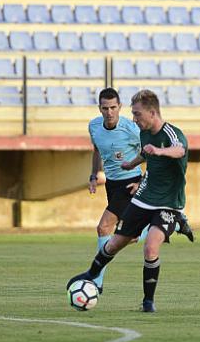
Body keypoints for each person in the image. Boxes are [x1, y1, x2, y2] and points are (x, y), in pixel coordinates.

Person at [68, 89, 191, 312]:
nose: (134, 118)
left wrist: (160, 152)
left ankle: (148, 302)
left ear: (152, 113)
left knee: (150, 247)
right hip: (144, 196)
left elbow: (180, 150)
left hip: (168, 201)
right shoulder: (142, 132)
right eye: (133, 114)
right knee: (114, 242)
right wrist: (132, 163)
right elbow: (145, 153)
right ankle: (92, 274)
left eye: (137, 114)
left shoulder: (171, 133)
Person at [87, 87, 143, 293]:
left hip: (130, 183)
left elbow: (150, 153)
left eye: (113, 107)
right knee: (130, 237)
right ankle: (165, 226)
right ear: (99, 108)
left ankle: (96, 281)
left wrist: (143, 182)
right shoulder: (93, 126)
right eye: (105, 108)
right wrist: (94, 175)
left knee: (103, 228)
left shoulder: (131, 129)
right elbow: (96, 150)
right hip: (111, 184)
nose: (109, 112)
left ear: (119, 107)